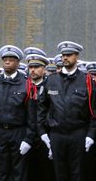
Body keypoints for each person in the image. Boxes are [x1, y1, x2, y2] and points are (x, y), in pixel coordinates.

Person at [38, 41, 96, 181]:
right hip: (57, 134)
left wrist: (90, 135)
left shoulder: (87, 81)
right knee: (59, 173)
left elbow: (94, 111)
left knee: (77, 173)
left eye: (69, 55)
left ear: (76, 56)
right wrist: (43, 132)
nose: (65, 58)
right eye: (63, 55)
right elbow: (42, 108)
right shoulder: (51, 80)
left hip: (77, 133)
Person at [0, 45, 36, 181]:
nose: (7, 62)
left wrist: (28, 139)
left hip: (18, 132)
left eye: (11, 59)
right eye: (5, 59)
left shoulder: (27, 84)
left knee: (19, 172)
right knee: (2, 171)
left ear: (18, 63)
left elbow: (32, 115)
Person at [23, 48, 55, 181]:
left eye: (36, 67)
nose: (33, 70)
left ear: (44, 69)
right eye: (30, 67)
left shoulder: (51, 87)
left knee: (47, 173)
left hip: (46, 138)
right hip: (25, 137)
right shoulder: (23, 87)